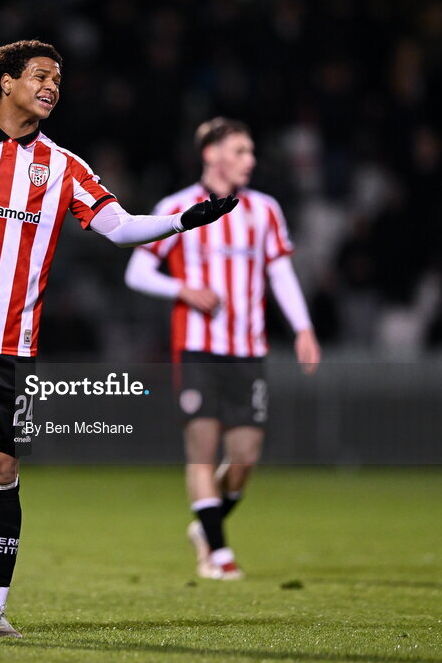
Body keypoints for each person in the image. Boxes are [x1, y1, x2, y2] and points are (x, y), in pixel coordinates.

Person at [0, 41, 238, 638]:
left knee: (1, 466)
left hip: (11, 348)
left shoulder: (65, 166)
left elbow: (119, 228)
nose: (52, 87)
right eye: (40, 76)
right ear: (5, 82)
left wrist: (182, 221)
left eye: (58, 80)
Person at [125, 117, 320, 580]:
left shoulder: (265, 210)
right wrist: (183, 290)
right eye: (240, 150)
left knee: (245, 457)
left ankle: (205, 527)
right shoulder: (177, 207)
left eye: (251, 152)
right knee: (201, 451)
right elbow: (137, 272)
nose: (250, 160)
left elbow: (280, 273)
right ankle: (218, 553)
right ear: (211, 154)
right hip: (197, 350)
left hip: (247, 351)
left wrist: (303, 328)